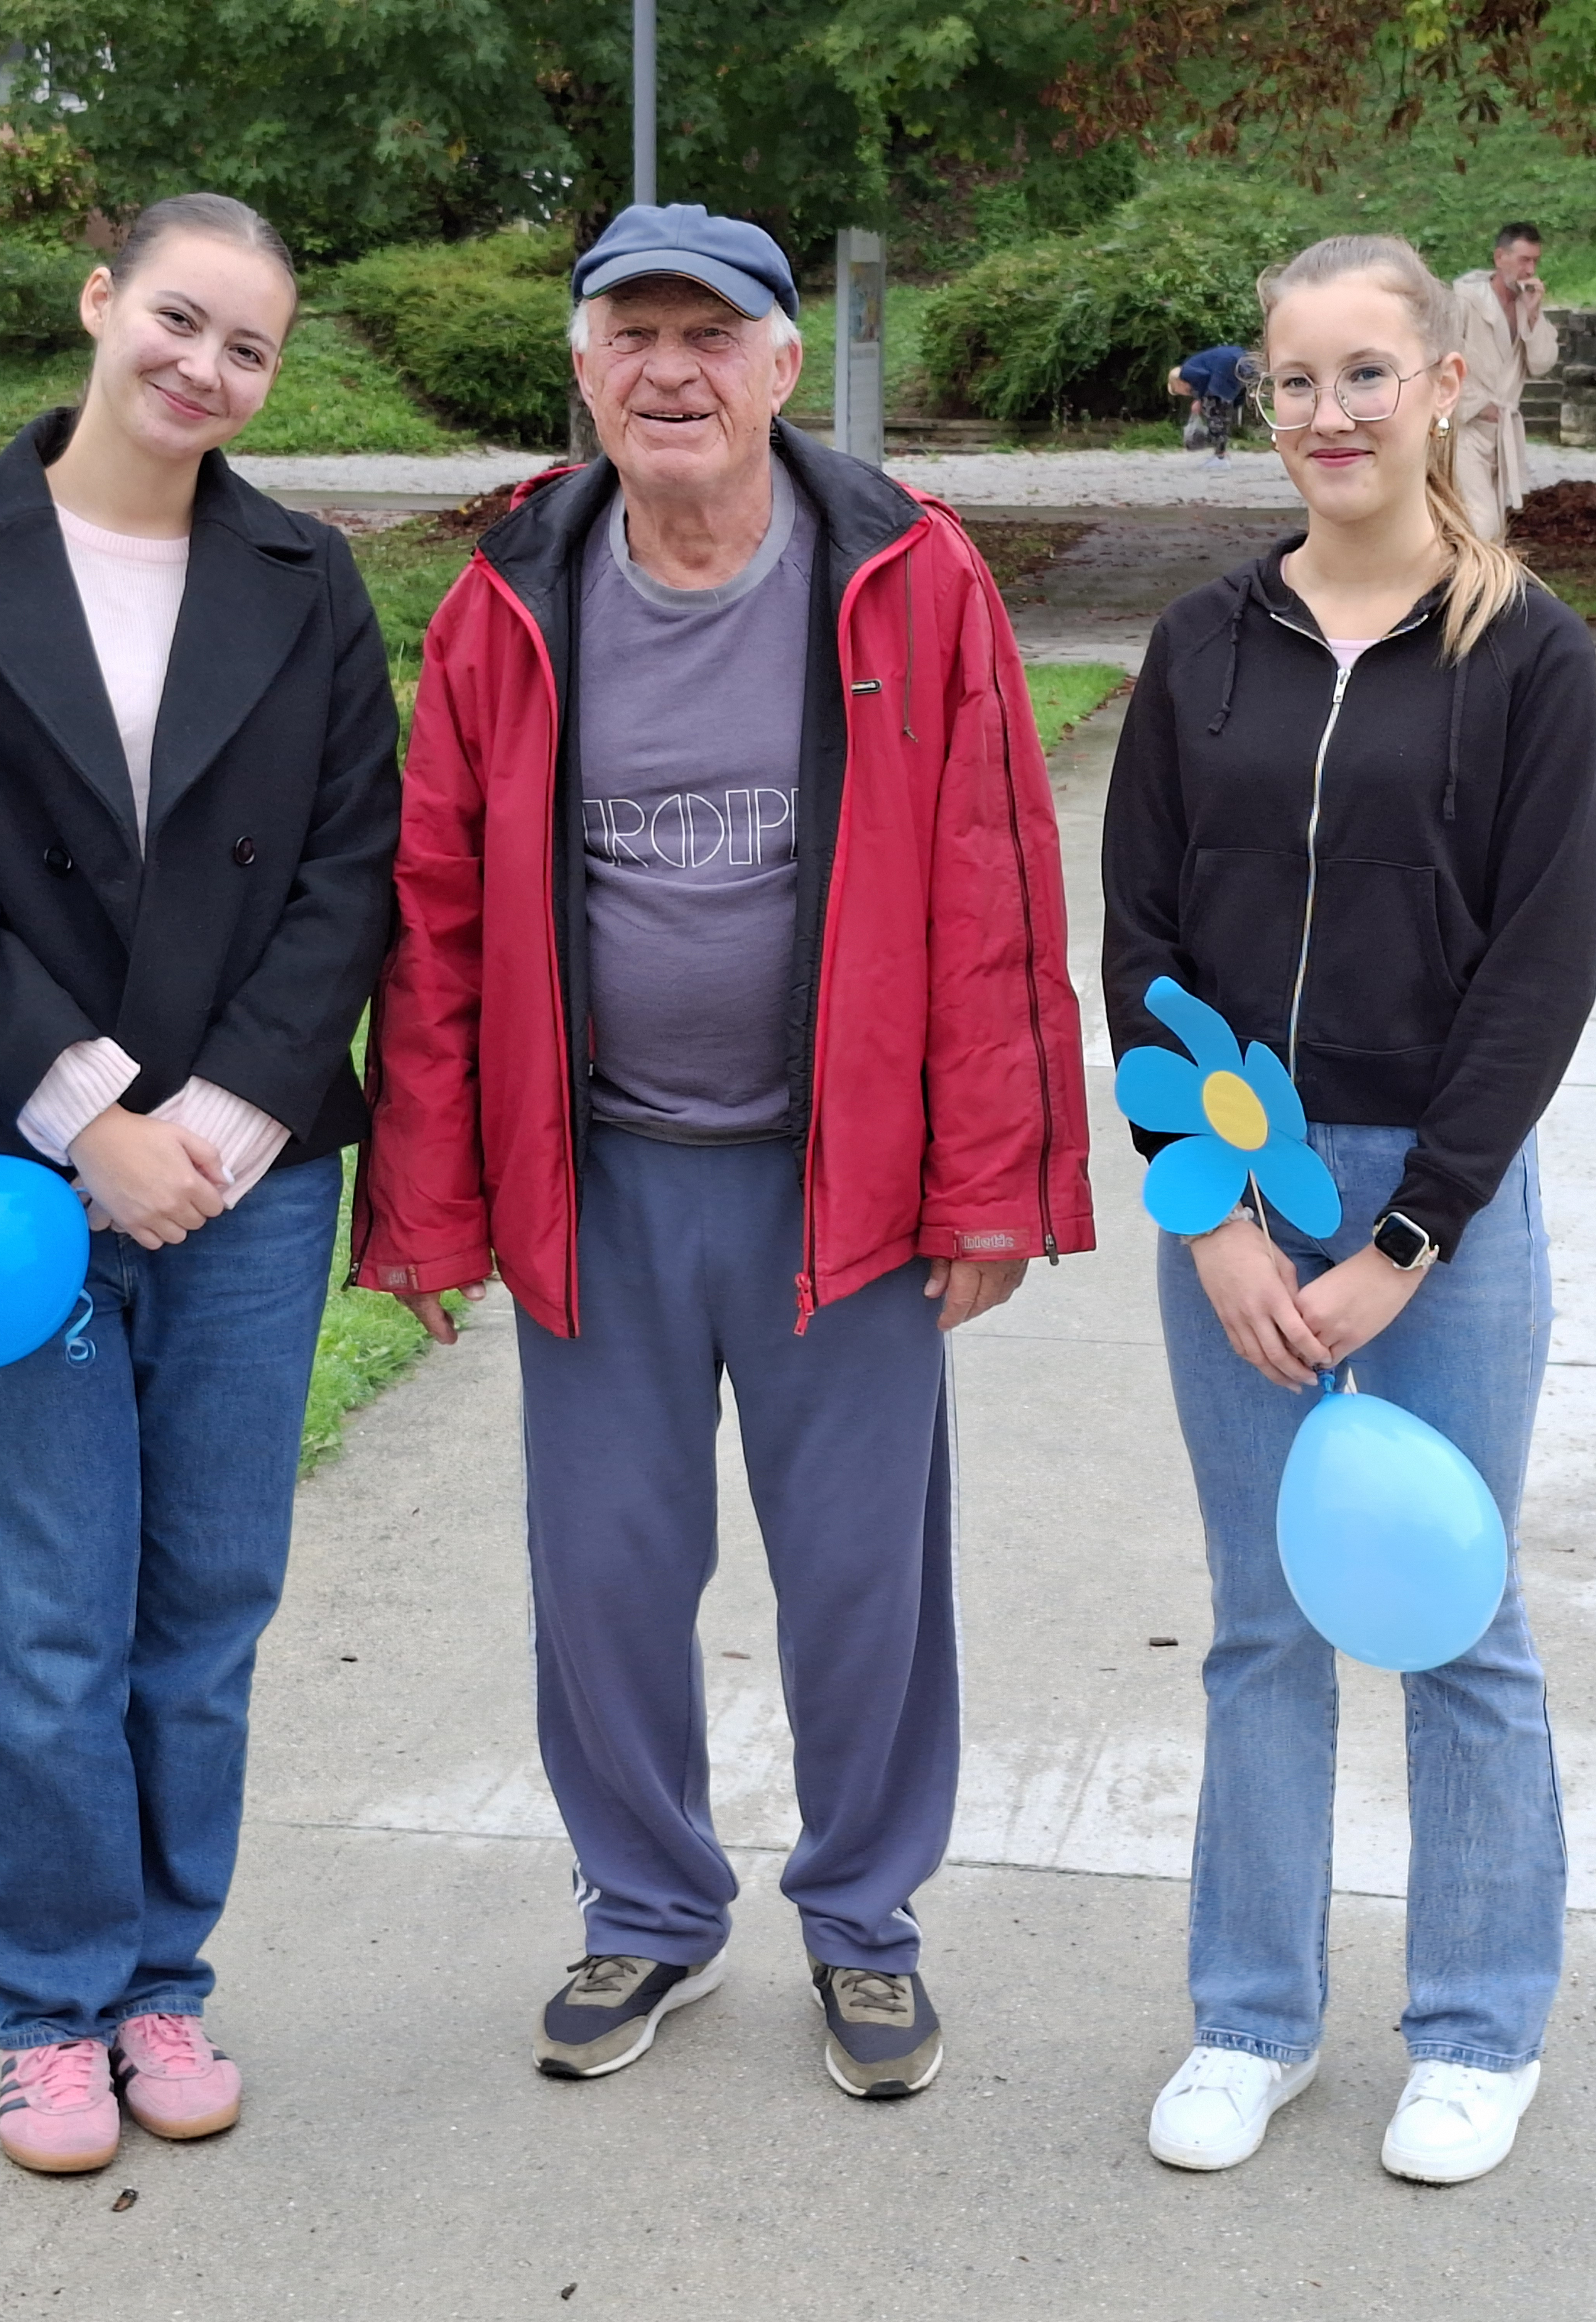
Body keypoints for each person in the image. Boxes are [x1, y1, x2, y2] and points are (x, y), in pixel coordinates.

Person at [355, 202, 1094, 2101]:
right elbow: (436, 913)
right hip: (597, 1184)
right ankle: (648, 1912)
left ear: (781, 364)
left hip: (834, 1188)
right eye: (634, 334)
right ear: (584, 364)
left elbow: (1000, 879)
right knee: (603, 1572)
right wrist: (431, 1207)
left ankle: (863, 1926)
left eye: (714, 336)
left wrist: (992, 1181)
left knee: (861, 1578)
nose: (672, 372)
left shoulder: (911, 580)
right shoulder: (507, 595)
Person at [0, 193, 400, 2175]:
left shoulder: (304, 577)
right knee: (40, 1611)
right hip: (6, 1164)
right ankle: (52, 2012)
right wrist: (94, 1124)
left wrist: (225, 1126)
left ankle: (169, 1981)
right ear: (101, 305)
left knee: (208, 1604)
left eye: (248, 347)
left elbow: (350, 871)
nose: (205, 369)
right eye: (179, 319)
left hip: (247, 1176)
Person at [1103, 232, 1596, 2185]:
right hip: (1233, 1185)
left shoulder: (1522, 654)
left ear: (1444, 387)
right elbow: (1139, 935)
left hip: (1434, 1209)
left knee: (1458, 1623)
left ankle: (1479, 2030)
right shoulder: (1203, 647)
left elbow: (1538, 980)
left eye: (1364, 375)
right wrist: (1207, 1211)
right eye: (1294, 381)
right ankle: (1251, 2020)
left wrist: (1409, 1246)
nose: (1325, 414)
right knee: (1261, 1626)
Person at [1446, 223, 1559, 542]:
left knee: (1493, 528)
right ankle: (1470, 587)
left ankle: (1473, 589)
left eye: (1535, 261)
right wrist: (1480, 406)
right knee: (1482, 524)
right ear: (1500, 257)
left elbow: (1541, 364)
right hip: (1461, 429)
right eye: (1524, 260)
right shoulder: (1464, 302)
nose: (1530, 270)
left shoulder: (1527, 306)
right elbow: (1438, 362)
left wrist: (1534, 316)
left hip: (1502, 433)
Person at [1166, 342, 1254, 463]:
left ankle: (1220, 455)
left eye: (1177, 391)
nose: (1182, 394)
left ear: (1177, 382)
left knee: (1214, 412)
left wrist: (1200, 400)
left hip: (1225, 366)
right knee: (1225, 408)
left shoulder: (1185, 373)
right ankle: (1221, 451)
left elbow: (1205, 377)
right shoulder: (1195, 363)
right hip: (1242, 356)